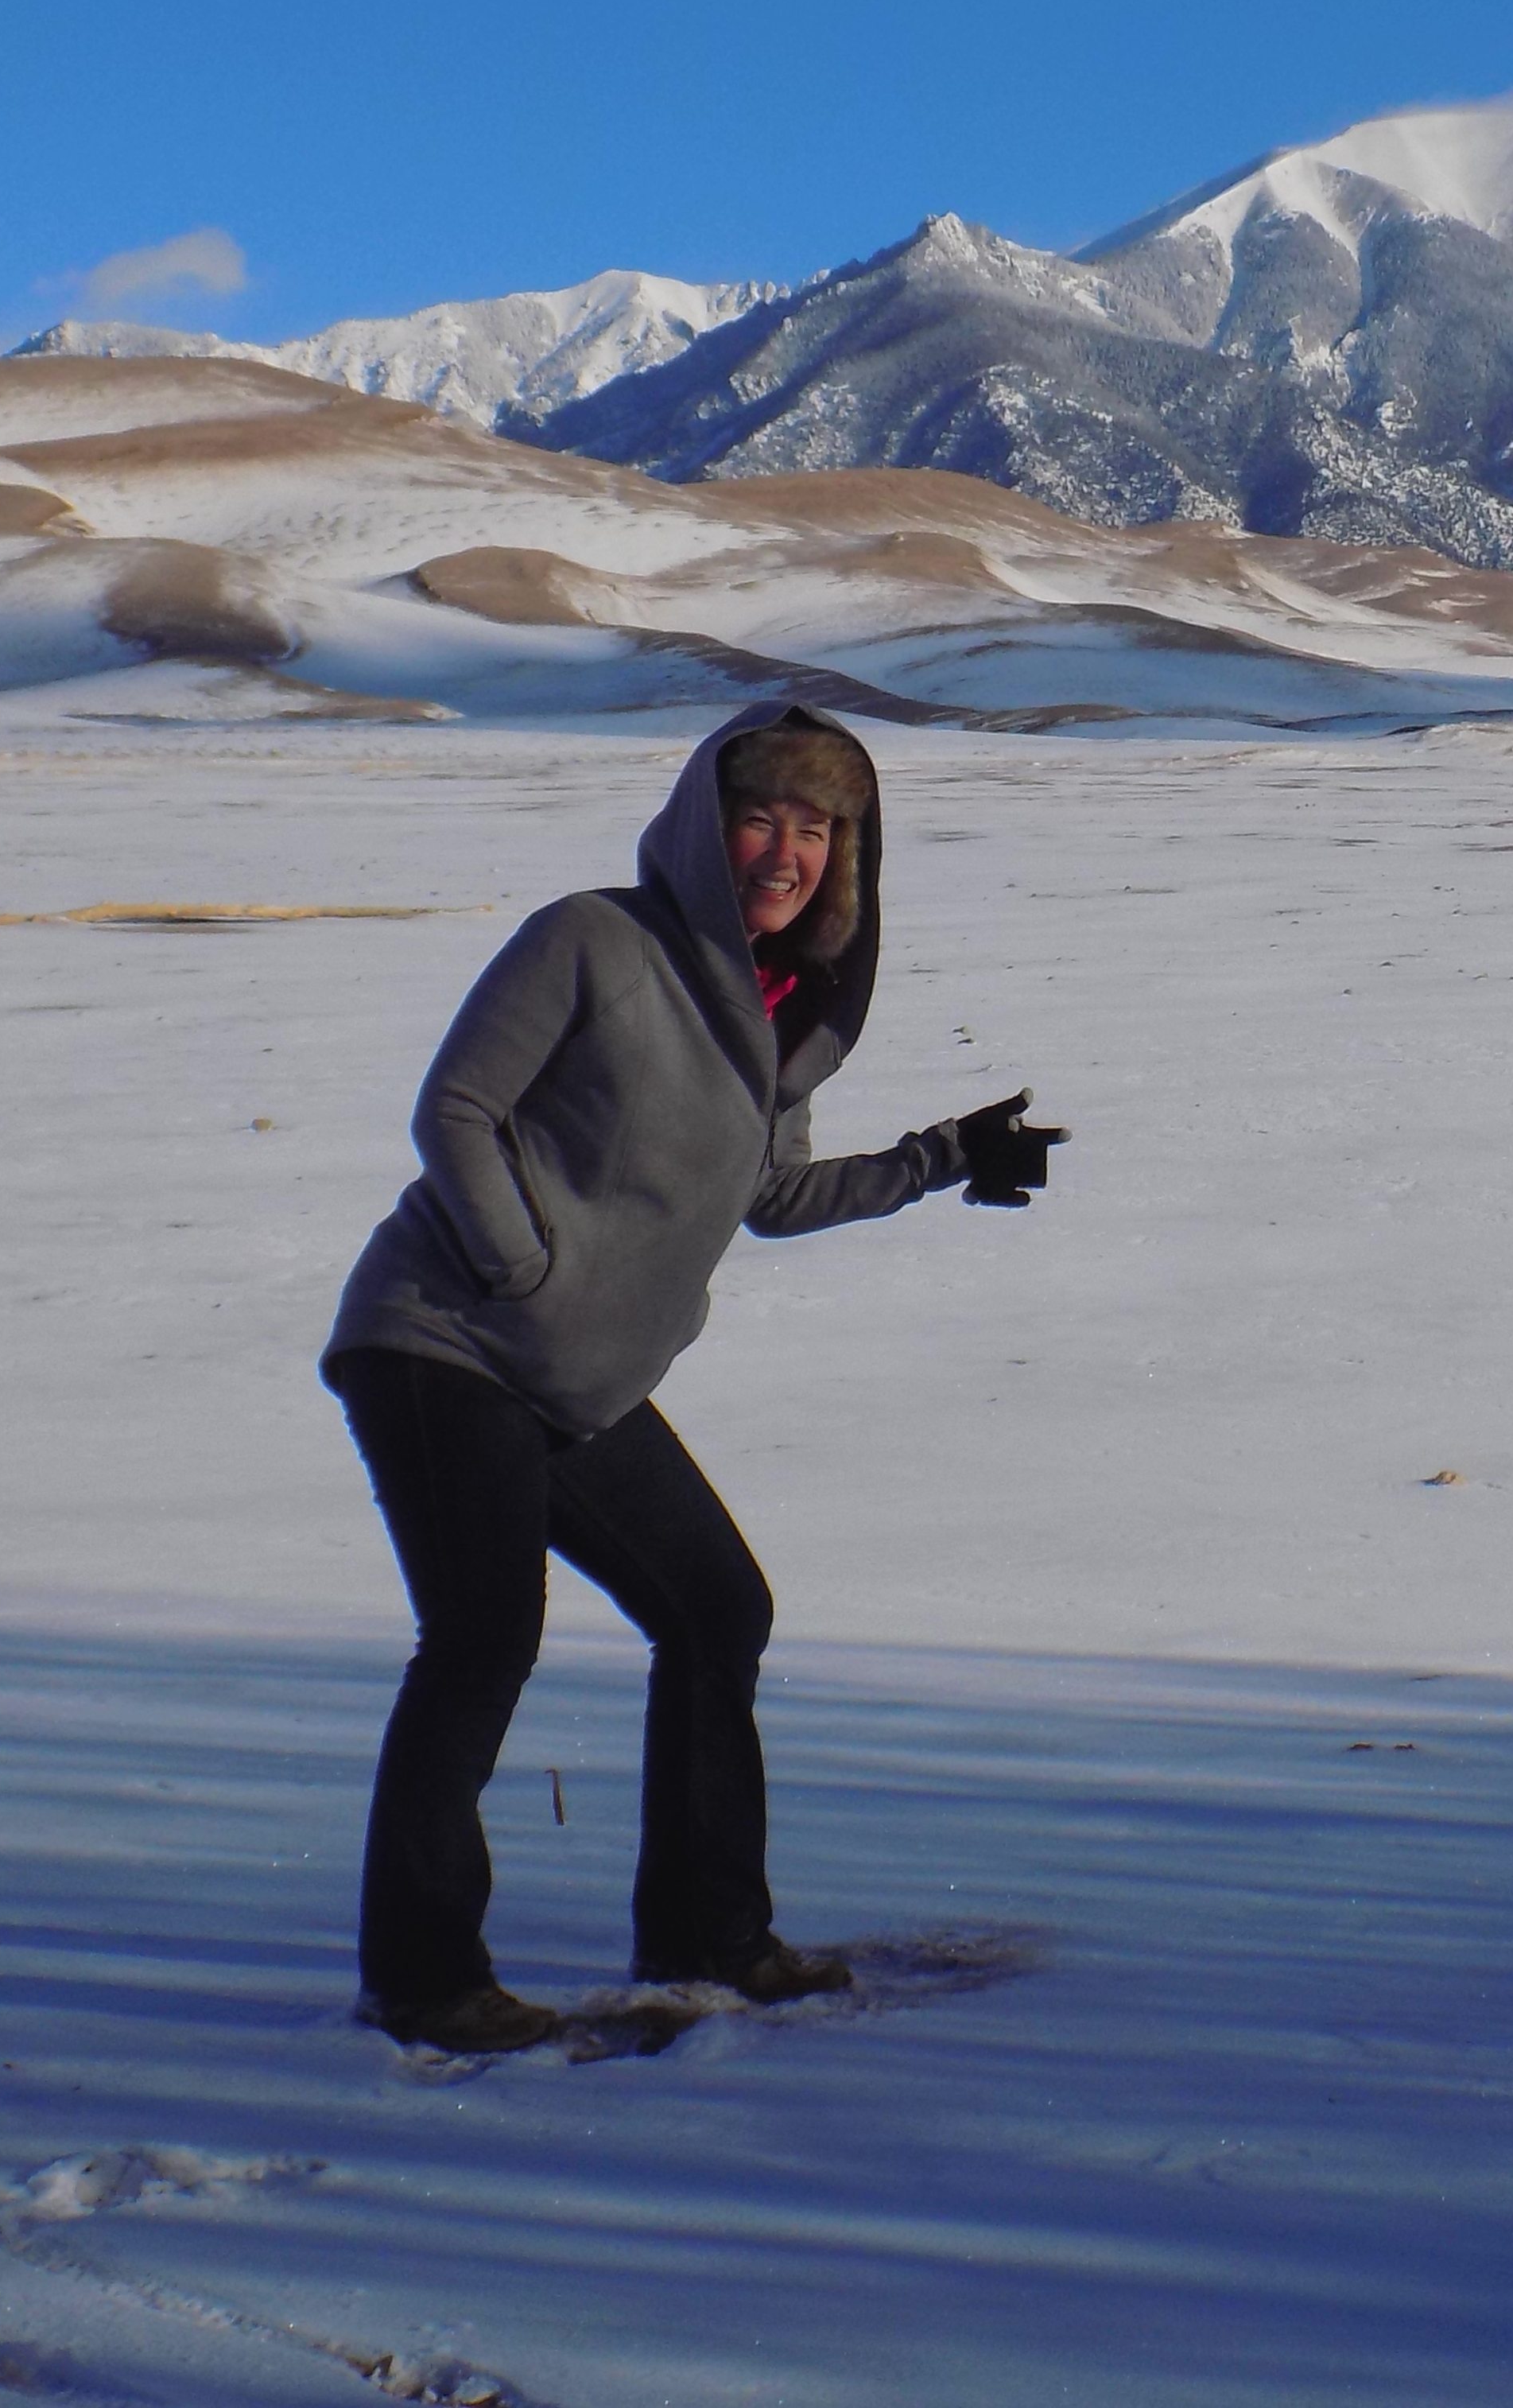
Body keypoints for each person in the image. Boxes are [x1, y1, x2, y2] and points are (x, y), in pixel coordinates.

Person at [319, 701, 1065, 2053]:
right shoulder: (590, 939)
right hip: (444, 1341)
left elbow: (772, 1194)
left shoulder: (781, 1013)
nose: (786, 851)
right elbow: (458, 1110)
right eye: (761, 817)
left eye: (816, 827)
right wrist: (523, 1267)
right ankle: (423, 1981)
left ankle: (708, 1936)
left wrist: (946, 1156)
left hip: (575, 1380)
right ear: (702, 828)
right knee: (483, 1641)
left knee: (717, 1608)